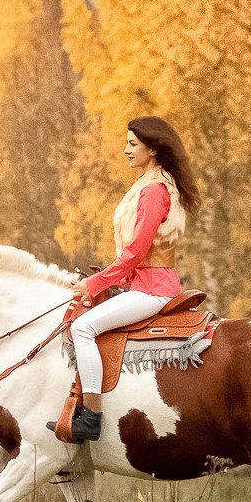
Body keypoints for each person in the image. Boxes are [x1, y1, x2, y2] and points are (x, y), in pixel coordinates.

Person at [61, 116, 202, 443]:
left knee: (83, 327)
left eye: (132, 144)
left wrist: (94, 284)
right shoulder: (153, 182)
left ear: (152, 149)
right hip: (145, 285)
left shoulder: (154, 189)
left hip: (154, 291)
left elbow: (138, 250)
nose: (125, 150)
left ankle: (92, 416)